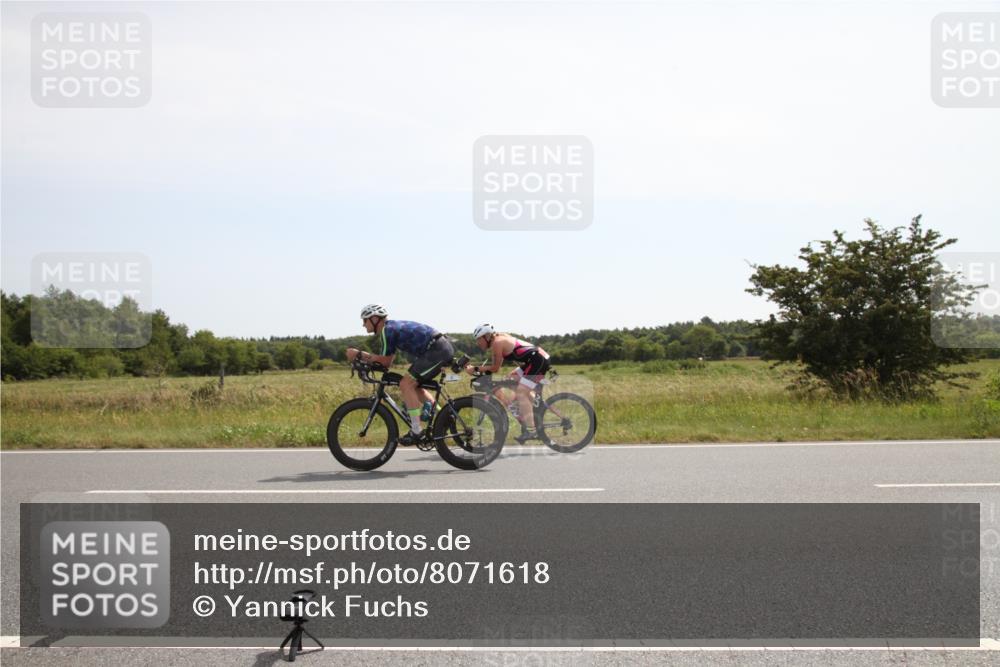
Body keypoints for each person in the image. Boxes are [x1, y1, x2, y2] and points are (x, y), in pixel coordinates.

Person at [346, 304, 454, 445]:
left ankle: (416, 430)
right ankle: (443, 417)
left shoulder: (387, 330)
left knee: (406, 384)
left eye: (365, 320)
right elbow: (387, 361)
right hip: (438, 348)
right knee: (415, 387)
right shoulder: (390, 328)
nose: (363, 324)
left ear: (374, 319)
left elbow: (385, 362)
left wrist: (359, 355)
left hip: (436, 350)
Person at [467, 323, 551, 443]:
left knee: (521, 392)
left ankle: (532, 431)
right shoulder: (499, 337)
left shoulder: (497, 343)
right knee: (510, 379)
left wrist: (475, 369)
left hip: (538, 360)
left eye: (479, 339)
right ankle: (534, 405)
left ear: (487, 336)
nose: (478, 343)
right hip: (534, 359)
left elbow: (495, 368)